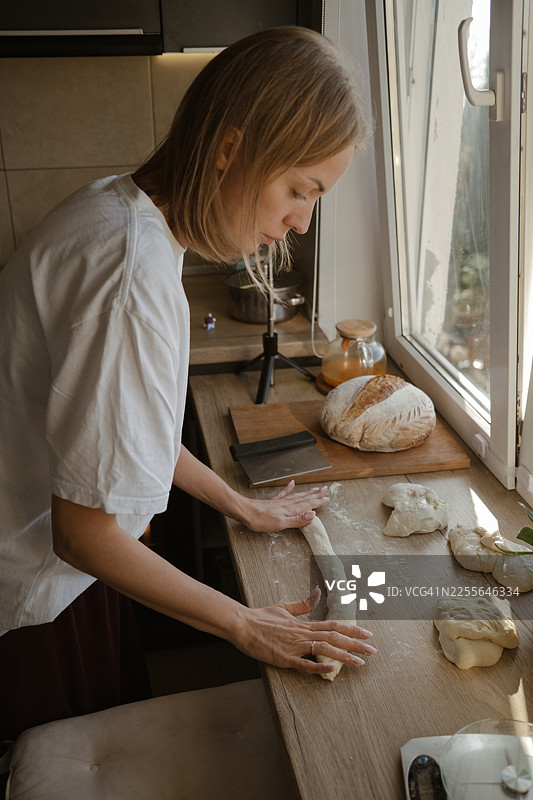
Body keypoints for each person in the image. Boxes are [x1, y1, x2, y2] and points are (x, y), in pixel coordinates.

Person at [0, 26, 375, 743]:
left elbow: (112, 431)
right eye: (300, 190)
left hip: (67, 572)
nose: (300, 220)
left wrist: (237, 502)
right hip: (35, 592)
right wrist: (244, 623)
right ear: (232, 148)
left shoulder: (120, 214)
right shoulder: (127, 277)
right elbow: (85, 534)